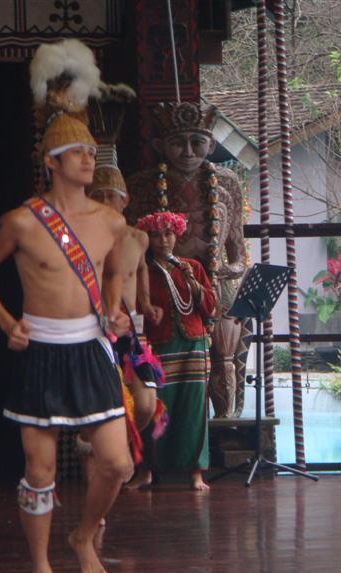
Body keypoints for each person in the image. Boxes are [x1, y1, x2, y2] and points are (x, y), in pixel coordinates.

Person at [0, 39, 132, 573]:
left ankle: (84, 534)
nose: (89, 158)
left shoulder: (110, 222)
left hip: (90, 351)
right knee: (39, 472)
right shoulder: (21, 222)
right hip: (40, 351)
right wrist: (6, 322)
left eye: (91, 151)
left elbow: (115, 273)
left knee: (117, 463)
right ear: (52, 161)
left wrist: (114, 309)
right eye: (77, 151)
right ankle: (41, 569)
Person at [126, 102, 248, 418]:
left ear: (212, 145)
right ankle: (168, 425)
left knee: (223, 358)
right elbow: (131, 249)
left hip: (215, 285)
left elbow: (238, 255)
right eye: (178, 143)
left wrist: (225, 271)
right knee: (163, 358)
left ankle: (223, 425)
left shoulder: (227, 183)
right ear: (160, 146)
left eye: (198, 142)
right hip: (161, 285)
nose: (189, 152)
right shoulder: (143, 185)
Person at [86, 161, 168, 490]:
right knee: (102, 404)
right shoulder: (84, 239)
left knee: (146, 404)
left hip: (133, 332)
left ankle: (118, 447)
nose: (106, 201)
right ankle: (102, 460)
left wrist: (147, 305)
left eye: (112, 195)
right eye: (98, 195)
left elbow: (140, 271)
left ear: (125, 200)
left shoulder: (139, 238)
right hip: (97, 331)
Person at [136, 210, 216, 490]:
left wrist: (193, 284)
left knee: (194, 410)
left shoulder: (192, 266)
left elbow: (210, 308)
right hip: (158, 346)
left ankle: (196, 472)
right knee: (156, 409)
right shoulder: (142, 271)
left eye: (168, 234)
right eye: (156, 235)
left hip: (193, 345)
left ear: (177, 235)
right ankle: (147, 470)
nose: (163, 240)